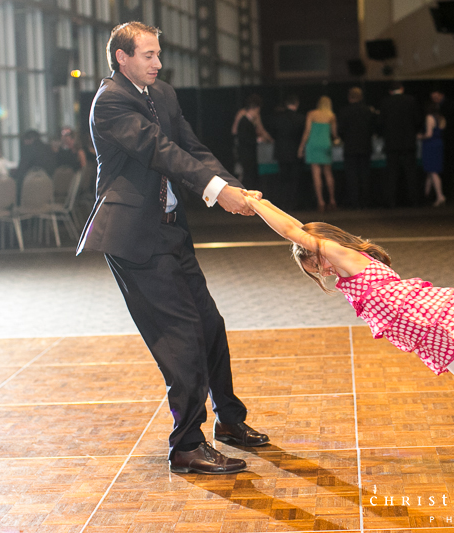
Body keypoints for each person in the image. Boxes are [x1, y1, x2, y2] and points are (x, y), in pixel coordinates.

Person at [76, 21, 269, 475]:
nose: (158, 63)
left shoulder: (161, 94)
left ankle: (230, 422)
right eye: (148, 55)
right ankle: (186, 446)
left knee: (210, 325)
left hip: (170, 230)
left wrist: (237, 192)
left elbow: (192, 148)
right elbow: (160, 150)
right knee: (182, 338)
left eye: (158, 54)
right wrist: (216, 190)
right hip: (133, 237)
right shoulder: (111, 102)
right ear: (122, 58)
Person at [247, 197, 454, 397]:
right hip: (424, 335)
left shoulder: (340, 253)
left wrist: (255, 203)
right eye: (316, 271)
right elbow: (297, 229)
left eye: (317, 262)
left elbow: (293, 230)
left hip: (433, 314)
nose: (323, 270)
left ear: (323, 246)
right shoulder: (340, 269)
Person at [378, 81, 422, 207]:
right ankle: (414, 200)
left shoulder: (385, 102)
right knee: (411, 174)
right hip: (408, 143)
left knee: (392, 174)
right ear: (402, 89)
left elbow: (380, 122)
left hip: (392, 144)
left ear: (390, 91)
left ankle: (390, 202)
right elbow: (417, 120)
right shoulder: (411, 100)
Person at [298, 95, 339, 212]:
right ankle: (332, 199)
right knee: (328, 173)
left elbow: (307, 131)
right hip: (326, 144)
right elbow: (334, 134)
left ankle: (320, 201)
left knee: (316, 174)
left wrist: (301, 147)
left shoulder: (312, 114)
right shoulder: (332, 116)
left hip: (313, 144)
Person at [337, 87, 376, 208]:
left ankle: (354, 202)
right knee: (365, 174)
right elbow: (373, 129)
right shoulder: (368, 111)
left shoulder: (344, 111)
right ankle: (366, 201)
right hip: (365, 146)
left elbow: (341, 130)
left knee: (351, 176)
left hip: (350, 147)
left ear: (349, 97)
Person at [270, 93, 305, 210]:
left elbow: (273, 134)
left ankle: (283, 204)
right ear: (297, 104)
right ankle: (294, 204)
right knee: (295, 180)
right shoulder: (301, 118)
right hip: (295, 152)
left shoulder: (278, 118)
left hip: (281, 152)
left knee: (283, 179)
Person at [232, 94, 272, 191]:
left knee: (247, 174)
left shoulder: (248, 118)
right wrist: (259, 139)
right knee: (246, 175)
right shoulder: (244, 118)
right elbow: (239, 134)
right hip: (245, 152)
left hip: (246, 151)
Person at [419, 102, 447, 207]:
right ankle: (426, 196)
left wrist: (419, 136)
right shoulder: (442, 118)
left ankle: (440, 196)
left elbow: (429, 134)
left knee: (433, 171)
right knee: (430, 172)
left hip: (430, 145)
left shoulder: (429, 117)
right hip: (439, 144)